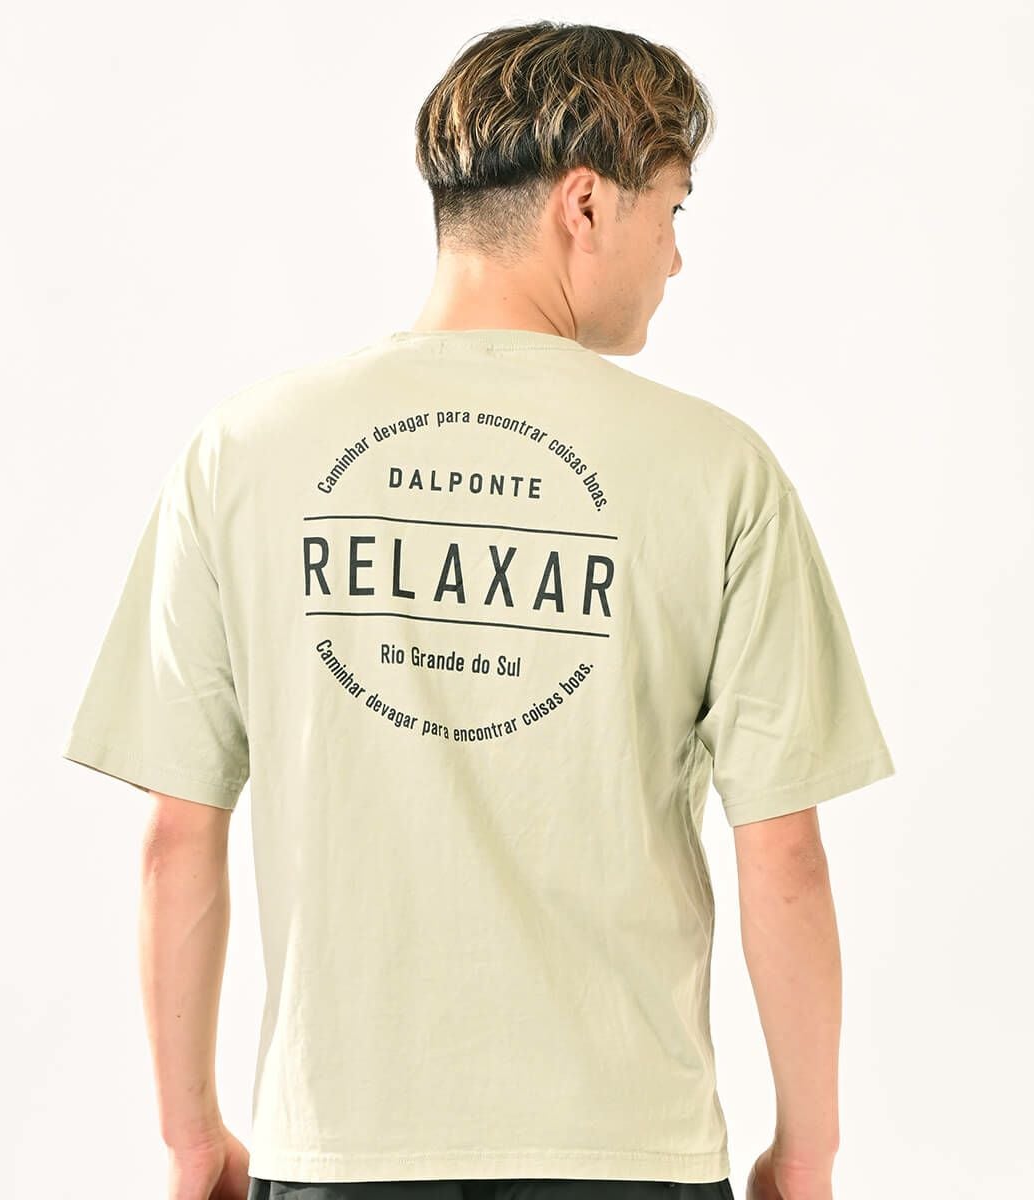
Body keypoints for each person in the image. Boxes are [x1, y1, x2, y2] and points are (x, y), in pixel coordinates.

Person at [60, 20, 895, 1200]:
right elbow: (786, 855)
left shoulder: (242, 451)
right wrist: (806, 1152)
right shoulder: (718, 471)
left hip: (341, 1142)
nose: (677, 257)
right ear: (586, 204)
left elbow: (176, 836)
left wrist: (191, 1136)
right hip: (627, 1148)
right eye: (673, 210)